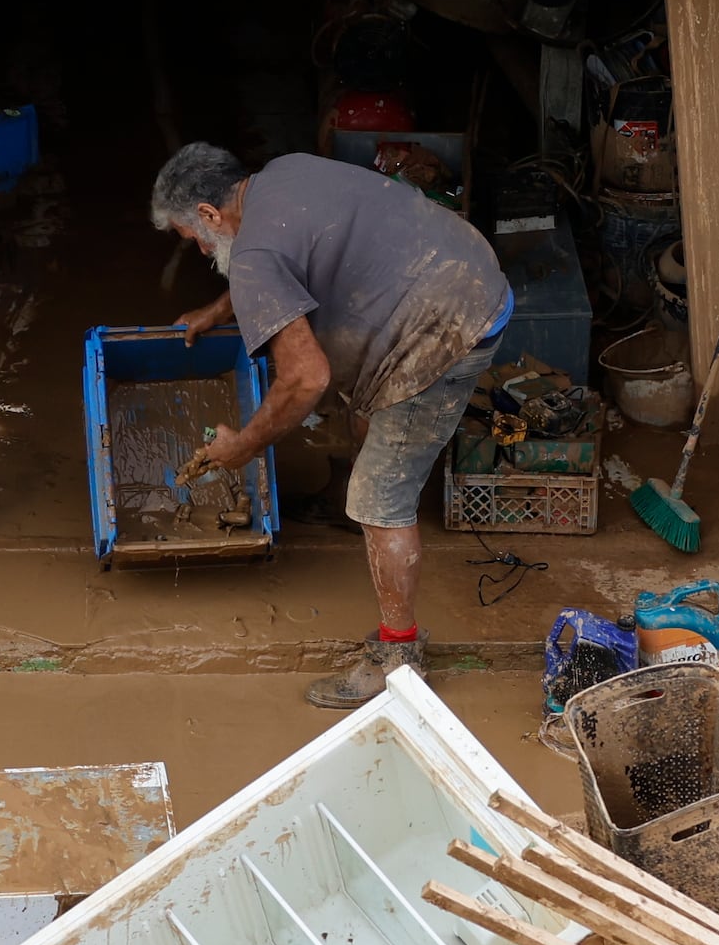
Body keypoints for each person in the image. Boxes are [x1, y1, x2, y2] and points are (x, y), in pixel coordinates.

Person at [150, 140, 515, 708]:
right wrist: (221, 309)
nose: (200, 249)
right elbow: (287, 256)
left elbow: (305, 379)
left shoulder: (252, 259)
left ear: (209, 215)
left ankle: (398, 657)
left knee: (381, 498)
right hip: (459, 266)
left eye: (194, 238)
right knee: (363, 394)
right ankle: (346, 498)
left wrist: (244, 445)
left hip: (448, 327)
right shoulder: (282, 173)